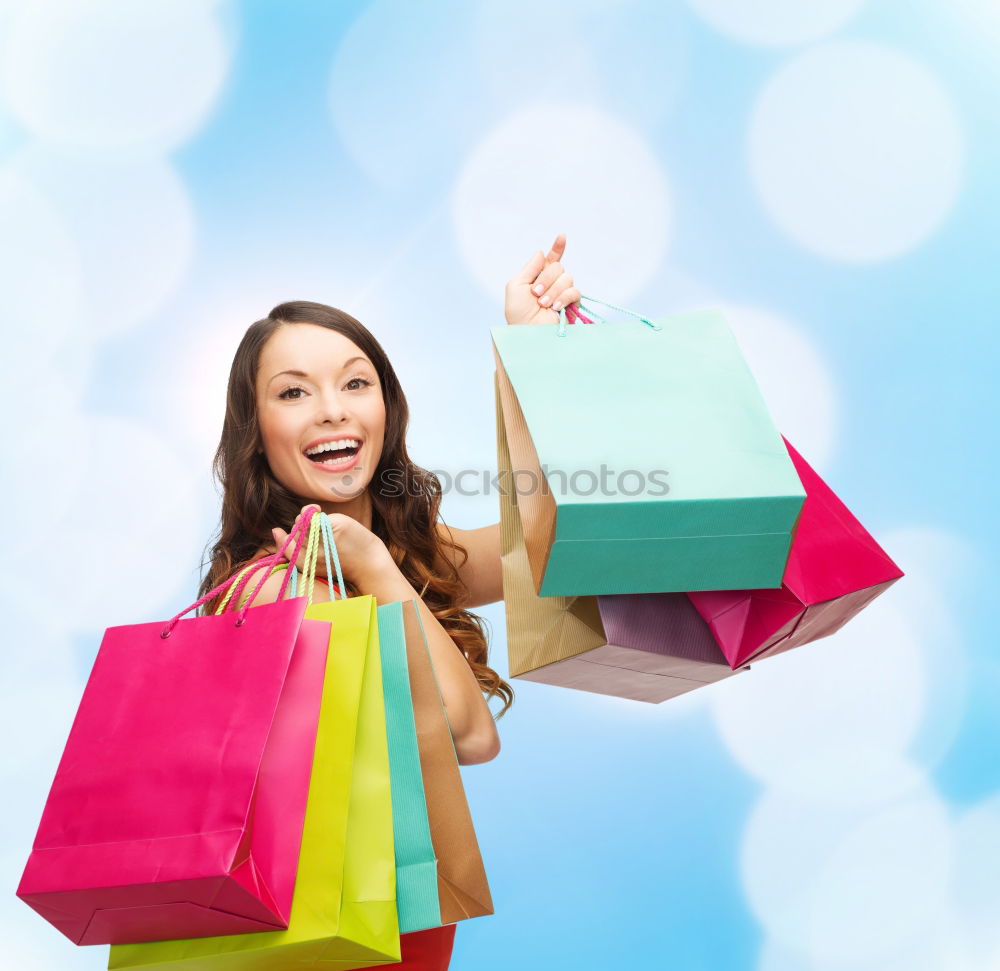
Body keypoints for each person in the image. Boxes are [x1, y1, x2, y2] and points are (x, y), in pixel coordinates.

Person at [198, 234, 582, 766]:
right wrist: (376, 567)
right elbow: (468, 736)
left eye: (356, 383)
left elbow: (563, 539)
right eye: (293, 392)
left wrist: (534, 349)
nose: (332, 410)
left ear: (388, 408)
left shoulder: (401, 551)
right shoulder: (276, 591)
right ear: (255, 431)